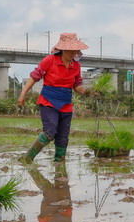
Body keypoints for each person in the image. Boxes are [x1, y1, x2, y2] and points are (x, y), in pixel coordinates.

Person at [17, 32, 91, 163]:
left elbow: (77, 85)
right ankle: (27, 159)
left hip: (66, 104)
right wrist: (23, 94)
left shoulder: (76, 66)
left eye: (75, 50)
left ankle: (59, 166)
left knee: (63, 138)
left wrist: (87, 92)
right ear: (62, 49)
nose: (73, 53)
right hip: (48, 101)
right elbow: (34, 77)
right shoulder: (50, 60)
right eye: (70, 50)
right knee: (50, 132)